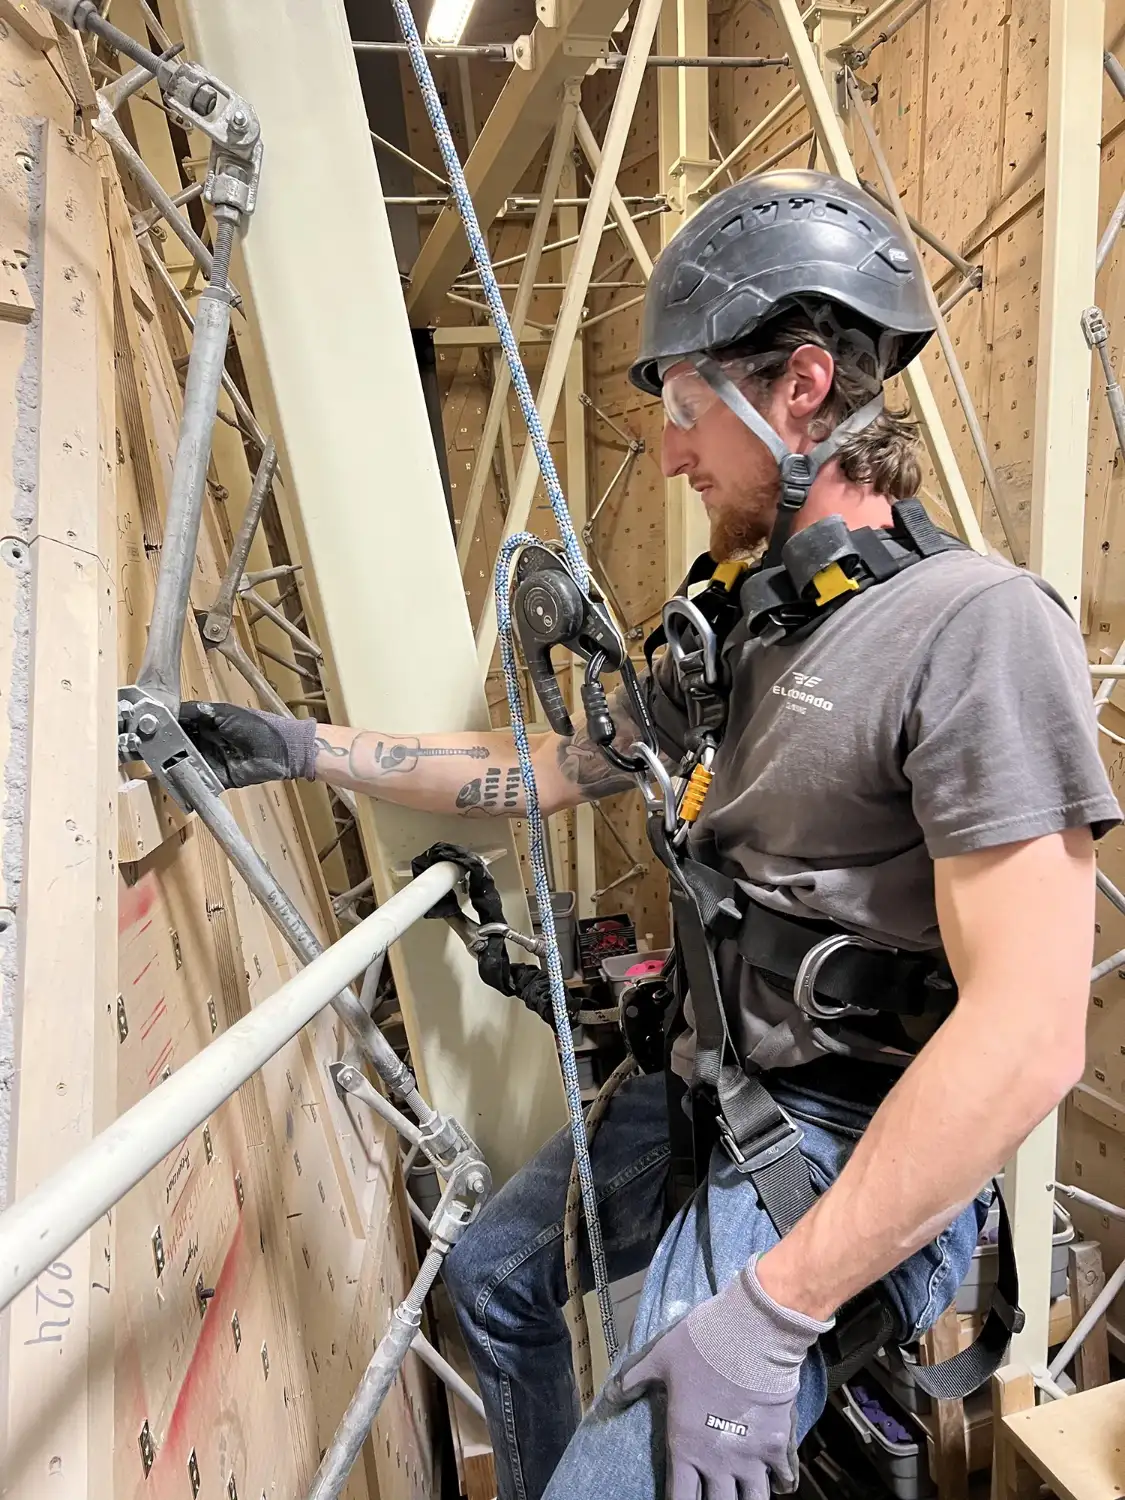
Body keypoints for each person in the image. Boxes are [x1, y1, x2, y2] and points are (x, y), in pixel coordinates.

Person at [178, 170, 1120, 1500]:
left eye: (685, 411)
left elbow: (1030, 1034)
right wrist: (302, 745)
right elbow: (548, 768)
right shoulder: (740, 630)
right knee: (498, 1278)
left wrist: (774, 1311)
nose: (671, 454)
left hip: (839, 1133)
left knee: (659, 1421)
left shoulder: (974, 630)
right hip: (707, 1077)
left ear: (800, 387)